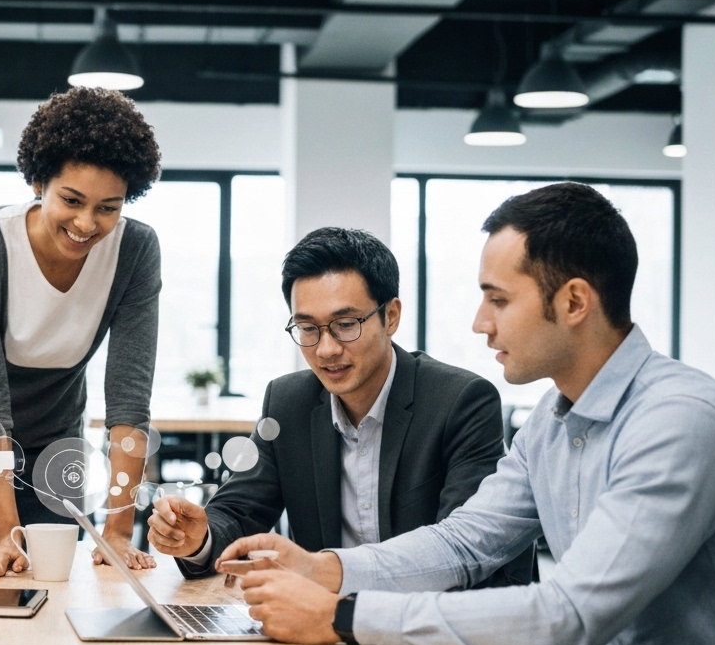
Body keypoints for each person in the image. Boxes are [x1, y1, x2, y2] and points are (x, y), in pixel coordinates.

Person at [219, 183, 715, 645]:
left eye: (498, 299)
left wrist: (343, 616)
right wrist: (322, 568)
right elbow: (462, 544)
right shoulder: (552, 419)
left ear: (574, 302)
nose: (480, 322)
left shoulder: (678, 421)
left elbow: (569, 617)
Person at [148, 228, 531, 588]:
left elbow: (465, 552)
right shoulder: (288, 402)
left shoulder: (459, 401)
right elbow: (238, 510)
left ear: (391, 316)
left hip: (424, 620)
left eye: (346, 324)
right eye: (308, 328)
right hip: (321, 623)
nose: (326, 349)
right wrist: (198, 538)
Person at [0, 86, 163, 579]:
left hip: (53, 443)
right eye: (71, 200)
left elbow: (129, 401)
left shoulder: (135, 251)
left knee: (55, 585)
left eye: (108, 207)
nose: (86, 223)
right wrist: (5, 532)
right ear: (37, 181)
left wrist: (118, 529)